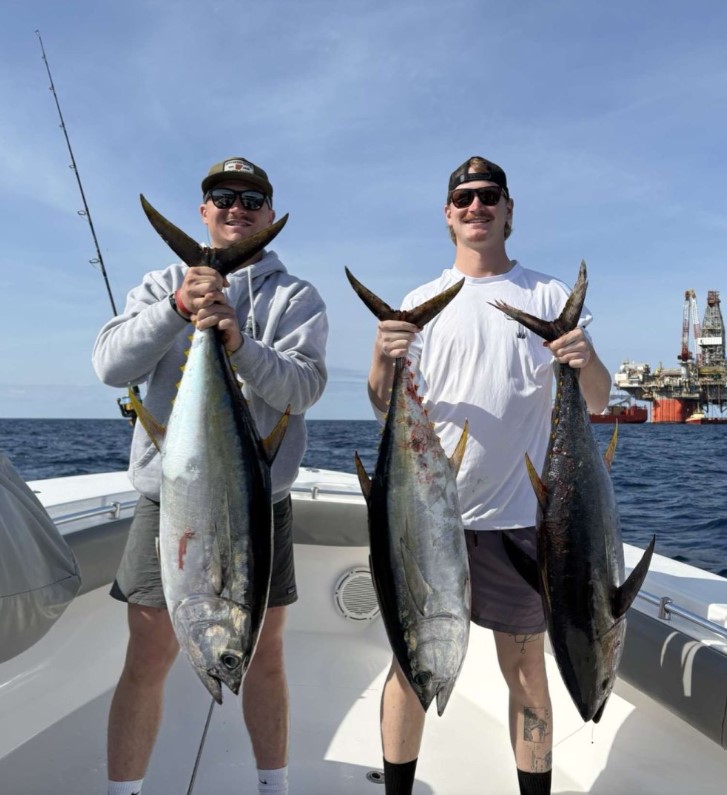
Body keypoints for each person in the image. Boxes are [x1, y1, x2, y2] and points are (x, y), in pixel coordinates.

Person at [365, 156, 611, 795]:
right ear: (448, 213)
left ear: (508, 209)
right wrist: (380, 358)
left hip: (523, 521)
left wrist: (582, 361)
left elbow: (599, 399)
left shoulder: (550, 297)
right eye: (464, 198)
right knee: (410, 662)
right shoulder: (418, 303)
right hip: (428, 517)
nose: (476, 207)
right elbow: (378, 399)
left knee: (527, 668)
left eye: (489, 197)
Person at [92, 156, 328, 795]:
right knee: (146, 657)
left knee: (265, 656)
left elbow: (305, 387)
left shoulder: (296, 297)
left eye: (253, 200)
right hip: (170, 500)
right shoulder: (160, 281)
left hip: (259, 499)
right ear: (204, 212)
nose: (237, 208)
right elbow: (111, 366)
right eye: (223, 197)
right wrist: (176, 307)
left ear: (269, 217)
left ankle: (273, 787)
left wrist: (239, 346)